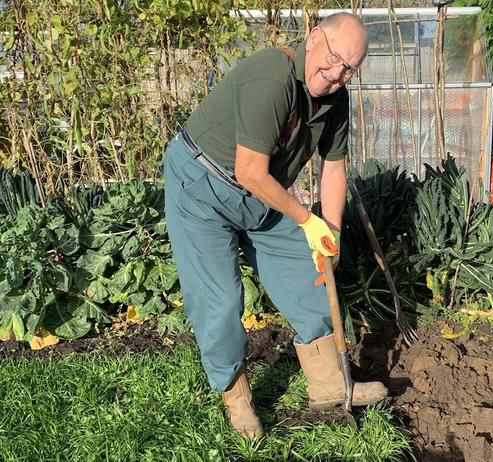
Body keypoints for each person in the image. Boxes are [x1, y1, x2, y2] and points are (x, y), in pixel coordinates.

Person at [162, 12, 387, 439]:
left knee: (312, 275)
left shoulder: (336, 101)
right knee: (222, 301)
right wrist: (306, 218)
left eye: (349, 69)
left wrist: (330, 234)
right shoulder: (272, 75)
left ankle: (331, 386)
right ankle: (238, 399)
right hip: (202, 184)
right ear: (314, 37)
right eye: (335, 57)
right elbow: (249, 170)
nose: (336, 73)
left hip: (263, 194)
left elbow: (334, 169)